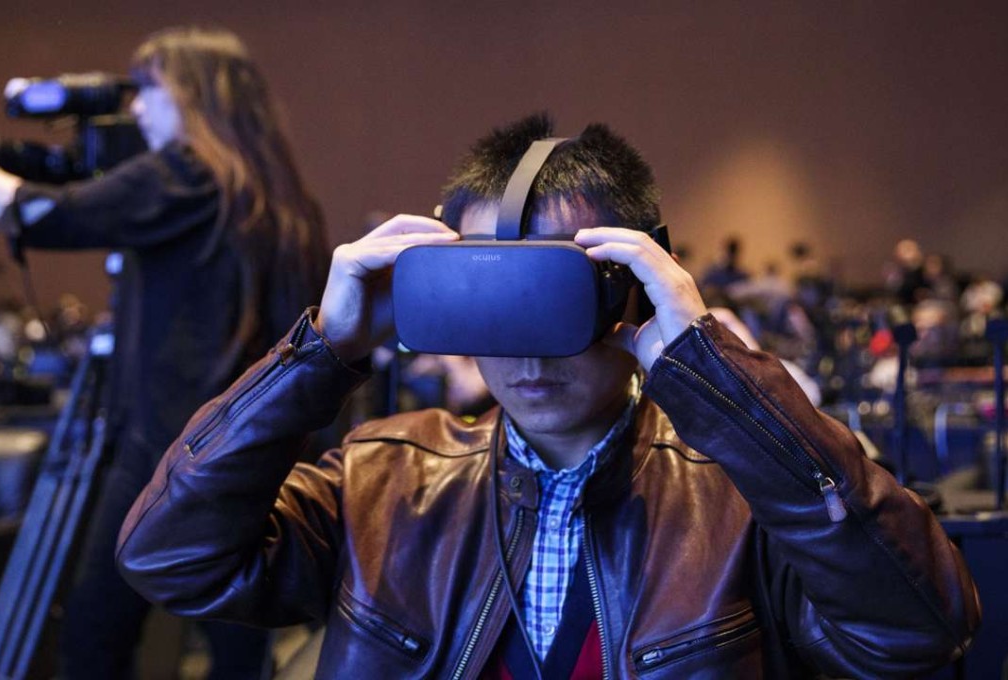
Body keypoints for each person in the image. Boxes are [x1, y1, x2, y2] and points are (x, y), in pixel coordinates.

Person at [116, 114, 978, 678]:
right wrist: (319, 352)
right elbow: (168, 557)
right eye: (493, 292)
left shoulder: (746, 495)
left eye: (560, 293)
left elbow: (919, 630)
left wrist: (707, 366)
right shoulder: (386, 481)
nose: (526, 346)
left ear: (635, 287)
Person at [0, 27, 327, 677]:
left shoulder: (187, 172)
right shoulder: (277, 197)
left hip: (163, 446)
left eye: (149, 89)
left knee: (94, 629)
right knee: (236, 639)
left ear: (195, 95)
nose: (137, 107)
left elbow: (45, 216)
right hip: (252, 445)